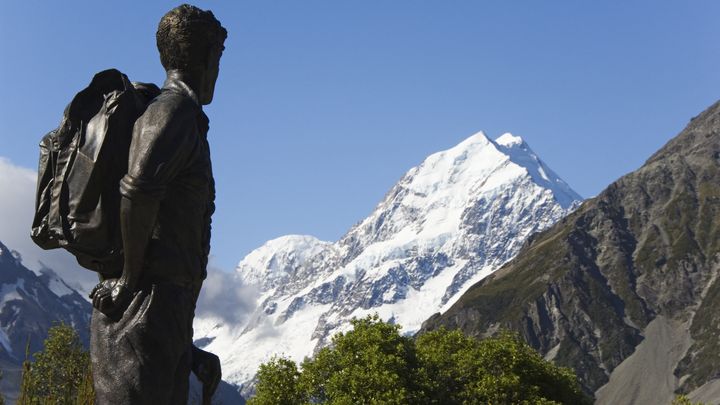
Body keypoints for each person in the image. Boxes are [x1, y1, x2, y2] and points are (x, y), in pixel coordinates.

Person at [88, 4, 227, 404]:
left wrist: (186, 347)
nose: (217, 71)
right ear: (204, 57)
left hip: (162, 313)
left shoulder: (182, 115)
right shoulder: (172, 112)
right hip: (141, 310)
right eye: (217, 57)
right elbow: (138, 190)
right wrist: (129, 283)